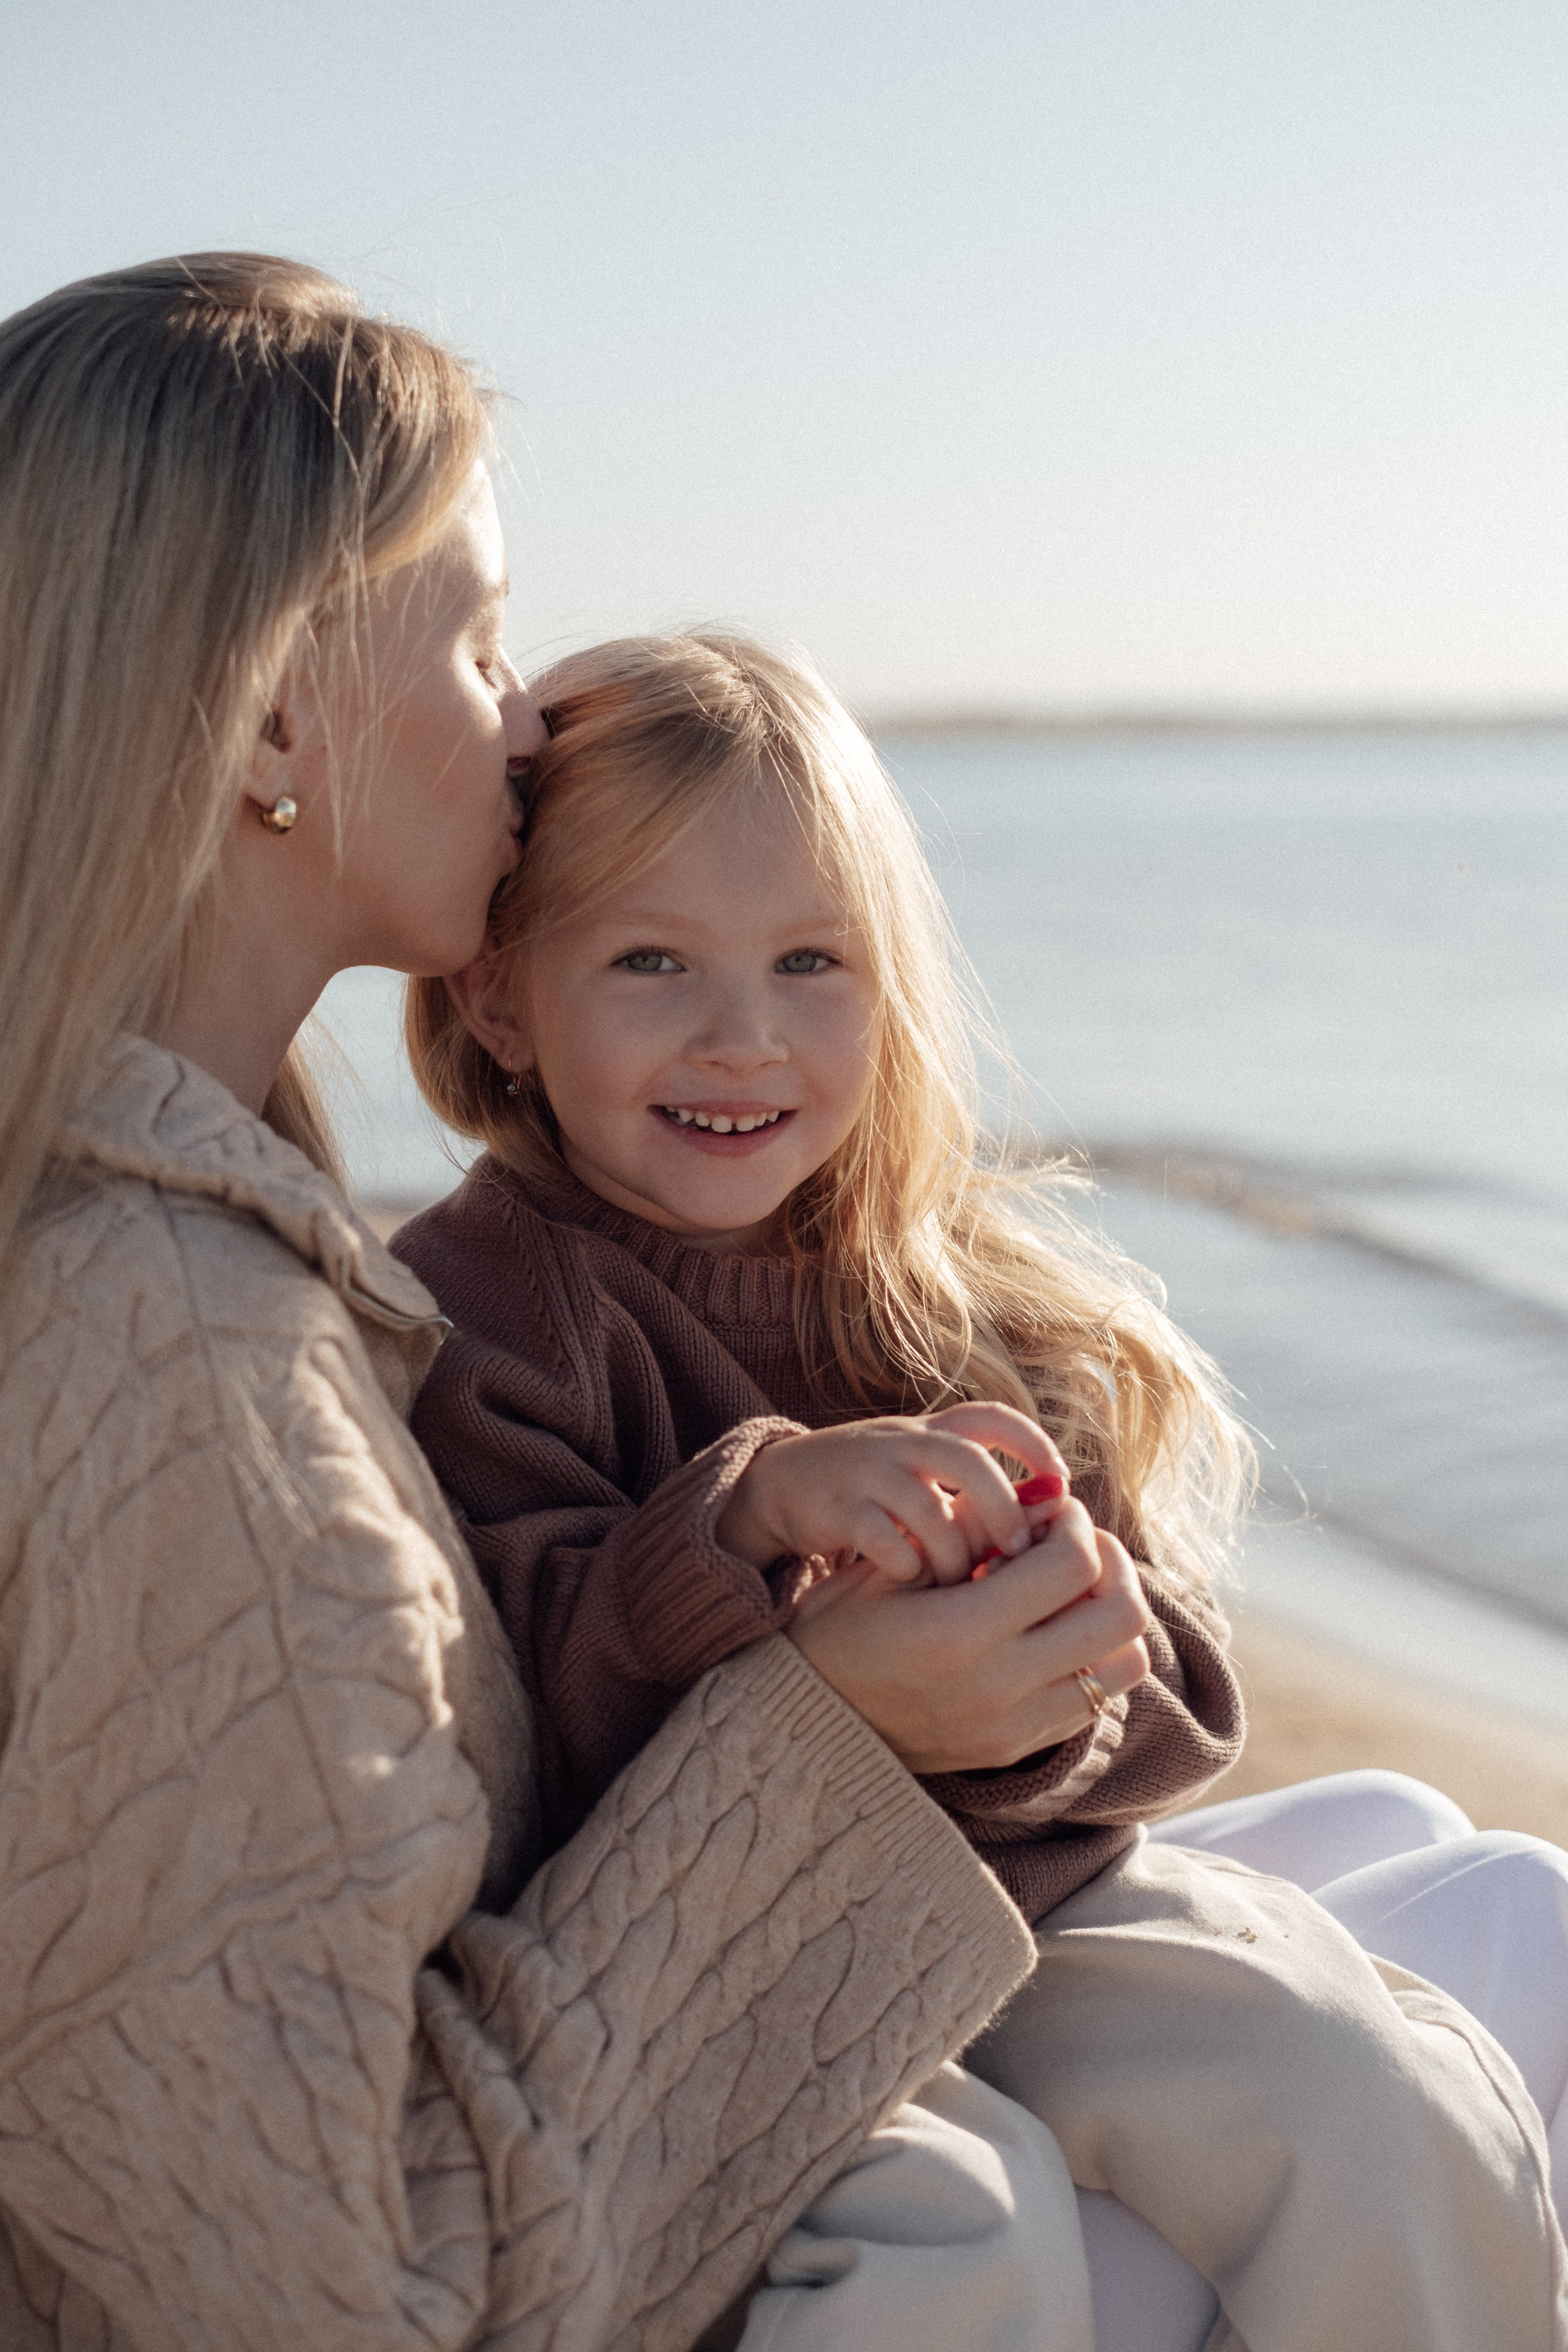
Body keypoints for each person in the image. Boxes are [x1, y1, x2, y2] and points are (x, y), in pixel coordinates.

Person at [0, 254, 1112, 2352]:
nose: (528, 717)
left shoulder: (180, 1230)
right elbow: (342, 2292)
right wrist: (839, 1732)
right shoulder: (178, 1357)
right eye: (484, 635)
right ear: (269, 718)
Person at [396, 630, 1568, 2351]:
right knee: (952, 2240)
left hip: (1037, 1909)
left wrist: (1042, 1680)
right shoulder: (486, 1313)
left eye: (813, 962)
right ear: (497, 989)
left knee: (1370, 2086)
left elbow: (1186, 1715)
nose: (744, 1038)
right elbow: (508, 1717)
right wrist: (742, 1524)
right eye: (651, 961)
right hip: (734, 1972)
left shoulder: (944, 1302)